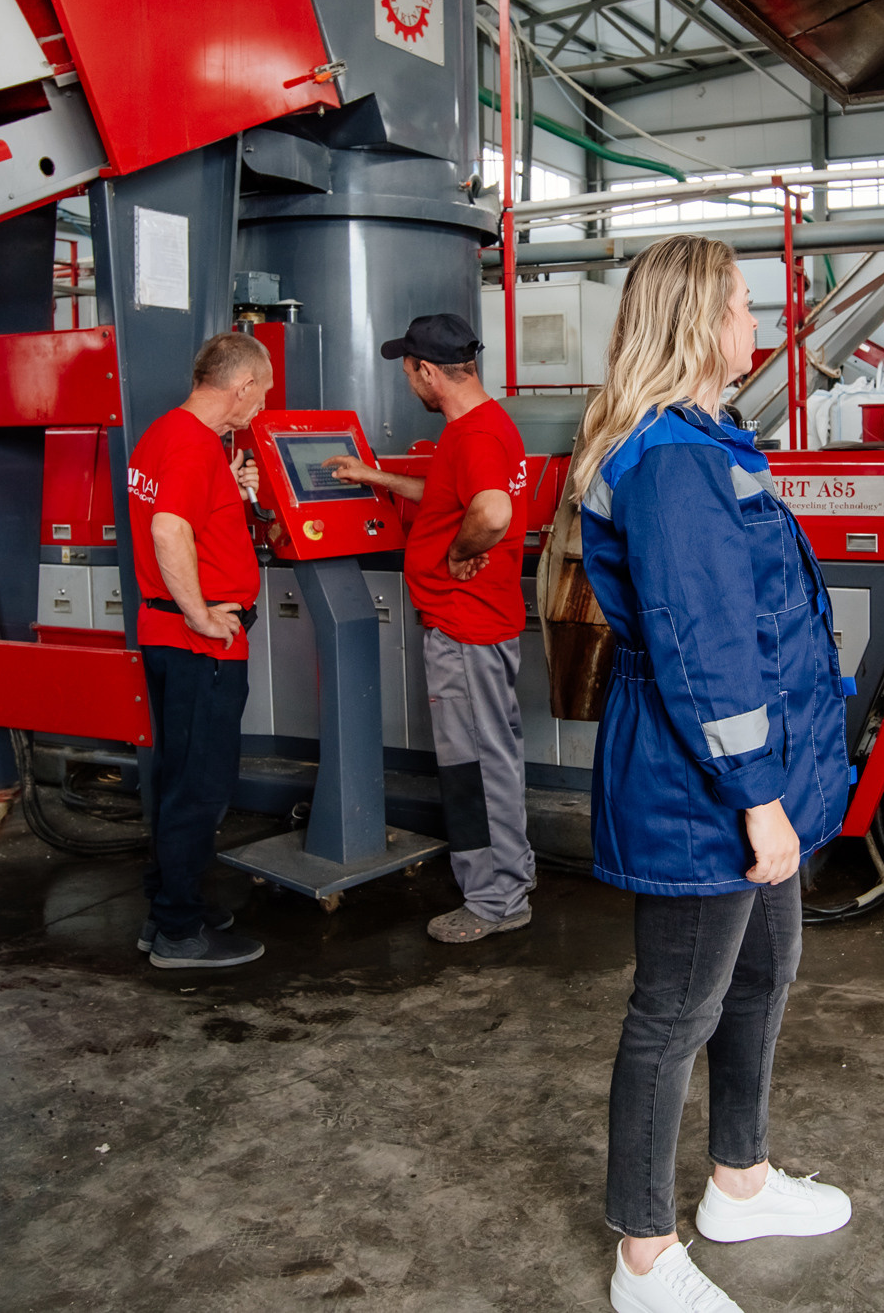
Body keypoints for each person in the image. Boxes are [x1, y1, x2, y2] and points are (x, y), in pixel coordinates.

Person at [571, 236, 855, 1313]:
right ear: (698, 320)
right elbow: (704, 651)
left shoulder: (700, 440)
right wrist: (758, 800)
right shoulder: (672, 460)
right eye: (743, 305)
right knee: (673, 1010)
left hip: (751, 772)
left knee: (763, 973)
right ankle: (642, 1254)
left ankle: (737, 1182)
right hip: (707, 786)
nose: (756, 325)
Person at [323, 313, 535, 944]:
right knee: (492, 757)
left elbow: (489, 511)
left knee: (474, 767)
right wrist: (375, 478)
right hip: (483, 625)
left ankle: (495, 900)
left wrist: (459, 553)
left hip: (466, 628)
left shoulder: (471, 437)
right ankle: (510, 878)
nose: (407, 378)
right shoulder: (485, 426)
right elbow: (453, 497)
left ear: (427, 371)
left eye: (408, 368)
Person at [125, 330, 274, 970]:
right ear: (240, 387)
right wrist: (202, 615)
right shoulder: (192, 445)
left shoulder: (169, 434)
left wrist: (229, 490)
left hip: (163, 638)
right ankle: (180, 933)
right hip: (195, 643)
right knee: (201, 787)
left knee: (175, 777)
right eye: (261, 394)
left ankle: (169, 904)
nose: (262, 407)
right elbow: (168, 528)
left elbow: (184, 514)